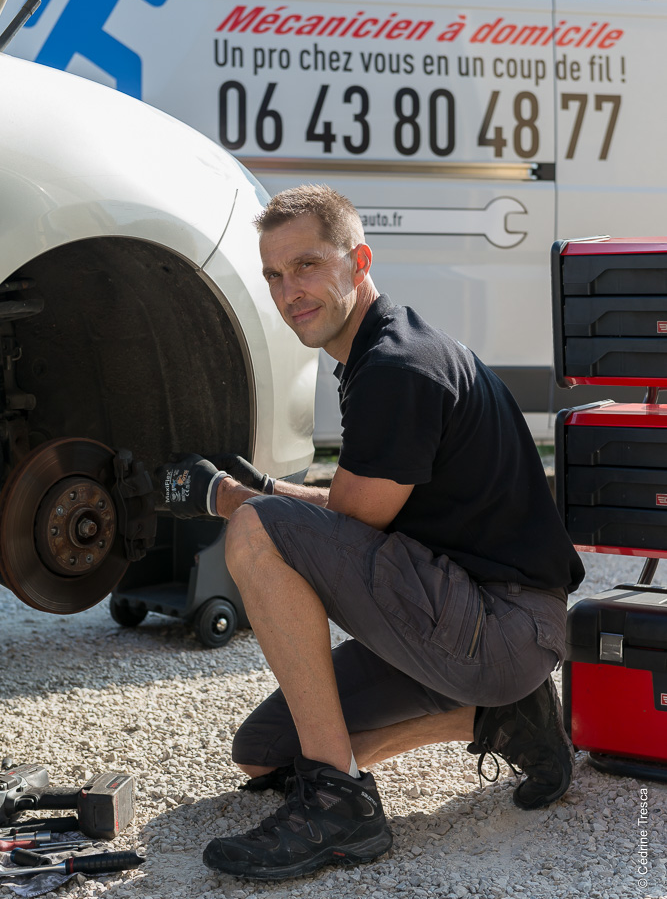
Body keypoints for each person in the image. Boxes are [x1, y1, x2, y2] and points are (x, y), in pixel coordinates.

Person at [155, 184, 584, 883]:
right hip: (467, 615)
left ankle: (340, 803)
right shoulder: (381, 353)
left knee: (255, 532)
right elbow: (356, 501)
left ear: (358, 260)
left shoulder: (394, 367)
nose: (287, 290)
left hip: (498, 623)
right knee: (264, 751)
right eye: (272, 275)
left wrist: (233, 501)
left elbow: (347, 523)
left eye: (306, 266)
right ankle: (506, 720)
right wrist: (253, 486)